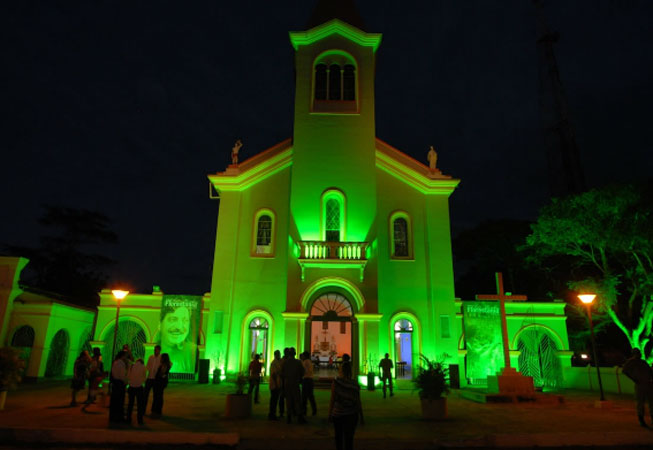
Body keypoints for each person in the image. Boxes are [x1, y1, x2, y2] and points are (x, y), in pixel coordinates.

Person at [329, 354, 364, 450]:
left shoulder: (336, 383)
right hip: (352, 414)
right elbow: (358, 400)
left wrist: (330, 414)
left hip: (338, 414)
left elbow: (332, 399)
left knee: (338, 437)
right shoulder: (355, 384)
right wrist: (362, 416)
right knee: (349, 439)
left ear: (341, 371)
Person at [159, 304, 197, 373]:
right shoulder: (156, 357)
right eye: (173, 319)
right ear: (160, 325)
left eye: (185, 320)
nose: (179, 327)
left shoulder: (191, 350)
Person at [622, 348, 653, 427]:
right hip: (640, 384)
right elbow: (624, 371)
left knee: (651, 402)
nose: (639, 354)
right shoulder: (631, 362)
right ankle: (641, 420)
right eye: (637, 353)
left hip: (648, 383)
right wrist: (634, 379)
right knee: (640, 403)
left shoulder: (643, 362)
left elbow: (650, 371)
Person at [281, 347, 305, 424]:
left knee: (288, 400)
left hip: (287, 383)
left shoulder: (285, 362)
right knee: (297, 400)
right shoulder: (298, 362)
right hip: (295, 383)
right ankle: (299, 416)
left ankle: (289, 417)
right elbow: (302, 372)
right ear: (295, 354)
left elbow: (282, 373)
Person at [109, 350, 129, 424]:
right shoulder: (121, 364)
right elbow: (122, 375)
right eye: (126, 356)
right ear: (123, 356)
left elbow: (113, 373)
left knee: (114, 401)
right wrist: (125, 382)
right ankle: (119, 418)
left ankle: (113, 417)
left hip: (115, 383)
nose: (126, 357)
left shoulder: (115, 362)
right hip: (120, 384)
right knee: (120, 402)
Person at [126, 358, 147, 425]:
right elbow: (144, 378)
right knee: (139, 404)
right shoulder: (143, 367)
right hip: (139, 387)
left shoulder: (131, 366)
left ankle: (128, 418)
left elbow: (128, 376)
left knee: (130, 404)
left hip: (131, 387)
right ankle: (139, 419)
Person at [151, 353, 171, 418]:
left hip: (159, 382)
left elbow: (162, 373)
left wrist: (159, 375)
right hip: (161, 382)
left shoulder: (164, 365)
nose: (160, 358)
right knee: (159, 396)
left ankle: (157, 410)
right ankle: (157, 409)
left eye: (161, 357)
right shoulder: (167, 364)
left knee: (158, 396)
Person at [144, 345, 161, 412]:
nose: (155, 351)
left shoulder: (161, 358)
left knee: (155, 395)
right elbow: (147, 366)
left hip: (156, 379)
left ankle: (154, 409)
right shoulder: (151, 357)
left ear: (159, 350)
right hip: (149, 377)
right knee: (145, 394)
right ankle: (143, 408)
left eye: (156, 350)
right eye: (154, 350)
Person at [268, 350, 283, 420]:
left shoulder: (278, 362)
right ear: (275, 355)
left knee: (275, 400)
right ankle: (272, 414)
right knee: (274, 400)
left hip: (277, 383)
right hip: (274, 384)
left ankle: (272, 413)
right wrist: (276, 384)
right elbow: (273, 374)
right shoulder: (274, 363)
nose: (279, 355)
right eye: (278, 354)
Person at [301, 351, 317, 416]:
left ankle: (304, 410)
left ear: (305, 356)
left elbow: (303, 371)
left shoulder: (305, 362)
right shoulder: (310, 362)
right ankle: (314, 409)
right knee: (311, 396)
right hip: (310, 380)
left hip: (306, 380)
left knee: (304, 397)